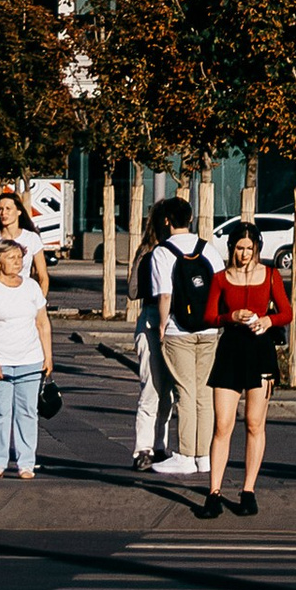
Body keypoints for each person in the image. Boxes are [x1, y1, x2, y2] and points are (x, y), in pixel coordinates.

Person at [201, 220, 292, 516]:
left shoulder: (270, 275)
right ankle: (213, 493)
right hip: (230, 352)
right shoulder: (220, 278)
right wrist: (231, 316)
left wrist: (268, 320)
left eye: (249, 248)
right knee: (222, 424)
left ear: (257, 249)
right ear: (231, 248)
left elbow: (286, 312)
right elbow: (209, 315)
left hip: (260, 353)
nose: (243, 254)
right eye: (239, 248)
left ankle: (248, 490)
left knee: (254, 423)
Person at [153, 194, 221, 478]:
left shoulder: (163, 251)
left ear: (167, 221)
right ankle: (204, 456)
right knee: (205, 393)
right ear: (191, 219)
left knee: (185, 392)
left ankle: (184, 455)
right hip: (209, 329)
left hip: (177, 330)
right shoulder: (209, 249)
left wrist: (160, 326)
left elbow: (165, 295)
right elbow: (220, 287)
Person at [0, 234, 53, 477]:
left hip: (29, 360)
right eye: (11, 258)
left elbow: (42, 323)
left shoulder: (31, 286)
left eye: (20, 257)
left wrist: (48, 356)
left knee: (27, 413)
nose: (17, 262)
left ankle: (26, 463)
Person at [129, 199, 178, 467]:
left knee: (152, 386)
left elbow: (133, 290)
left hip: (149, 317)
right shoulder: (184, 250)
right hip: (177, 321)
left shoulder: (147, 250)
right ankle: (156, 446)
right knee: (166, 389)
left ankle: (147, 448)